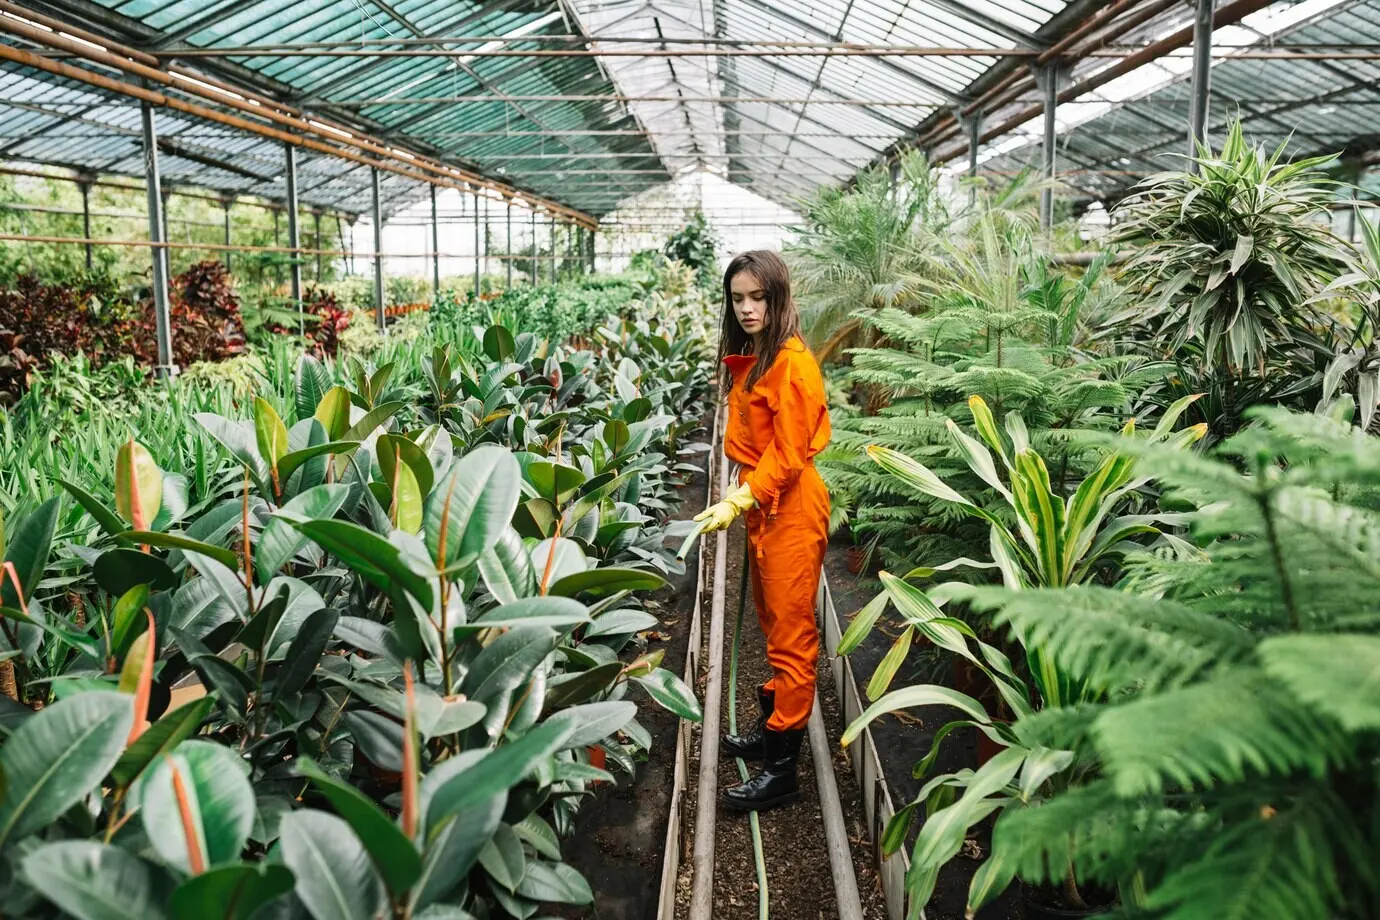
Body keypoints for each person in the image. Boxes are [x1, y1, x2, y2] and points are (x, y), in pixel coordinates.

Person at [694, 249, 831, 812]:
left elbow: (791, 450)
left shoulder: (794, 364)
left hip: (789, 506)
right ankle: (771, 730)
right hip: (765, 504)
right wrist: (744, 491)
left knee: (792, 636)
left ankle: (782, 771)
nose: (748, 308)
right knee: (775, 623)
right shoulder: (761, 355)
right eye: (738, 298)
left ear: (779, 298)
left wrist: (745, 494)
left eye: (759, 297)